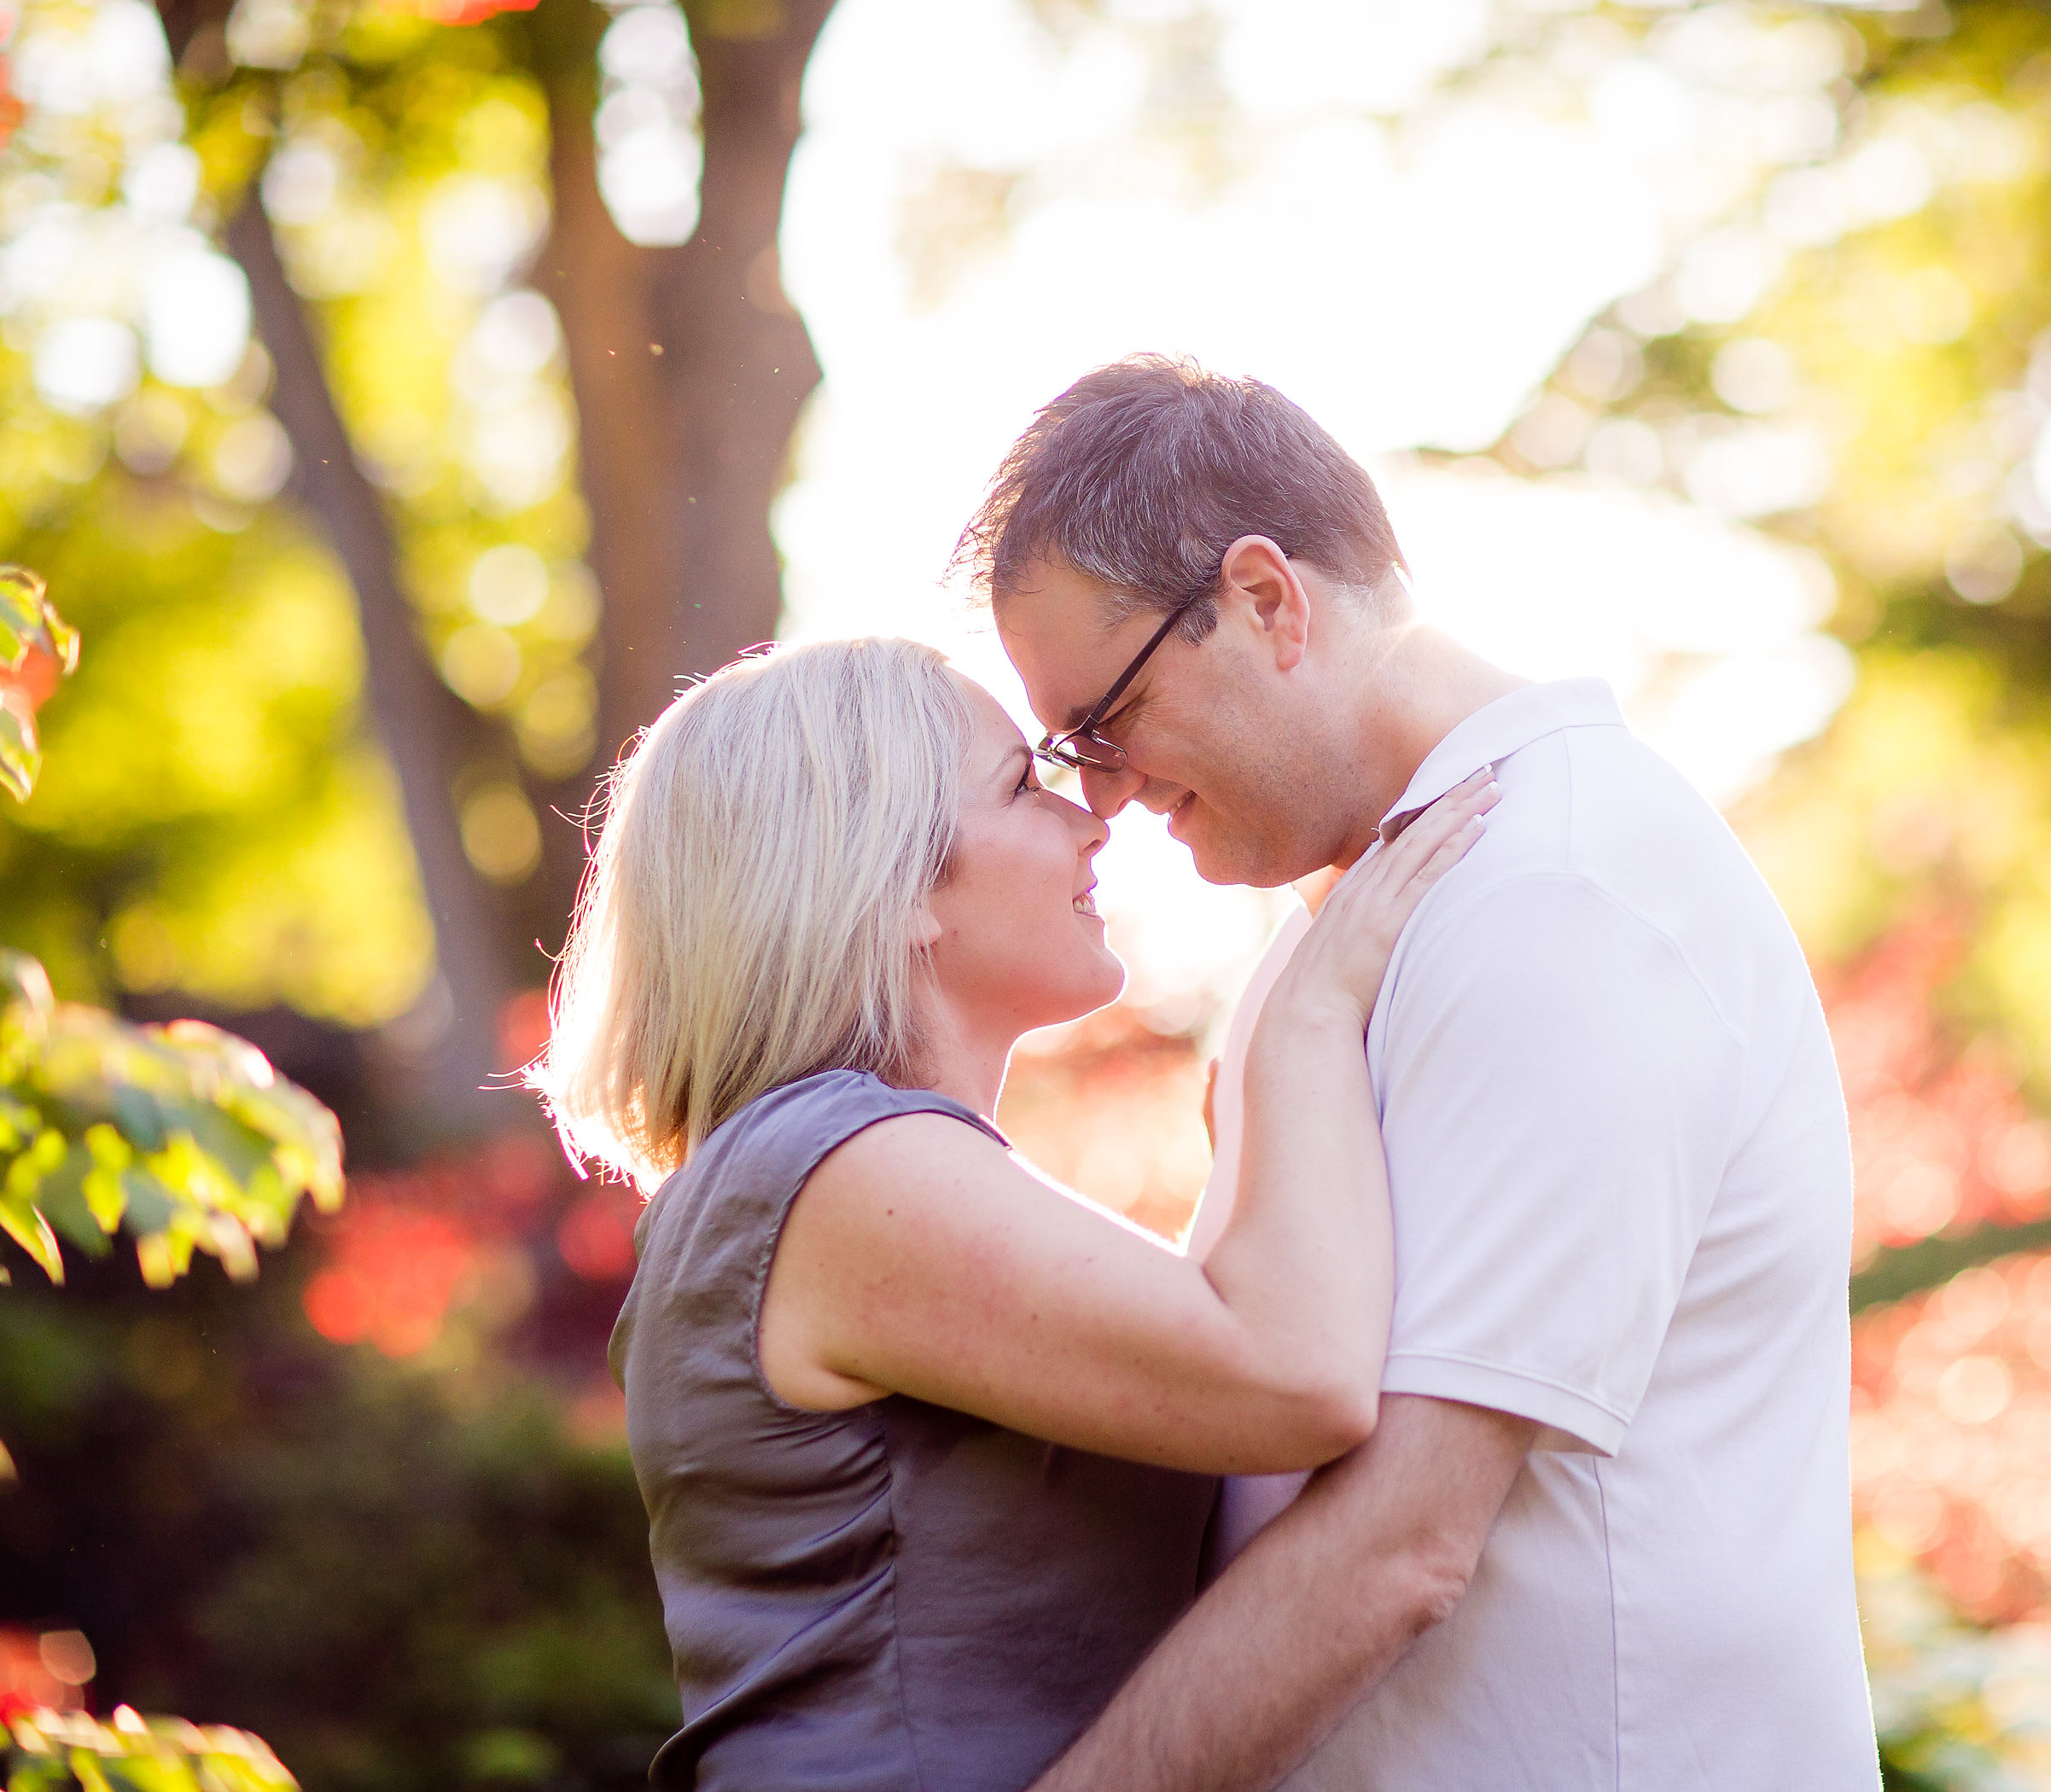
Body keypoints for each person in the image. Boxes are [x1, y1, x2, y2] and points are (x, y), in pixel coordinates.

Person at [964, 355, 1882, 1791]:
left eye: (1107, 722)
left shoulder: (1559, 897)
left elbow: (1404, 1543)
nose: (1099, 796)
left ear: (1267, 601)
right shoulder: (1360, 922)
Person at [527, 635, 1496, 1792]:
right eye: (1022, 786)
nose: (1095, 818)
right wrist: (1303, 1018)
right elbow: (1299, 1375)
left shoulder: (829, 1171)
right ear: (888, 888)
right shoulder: (830, 1173)